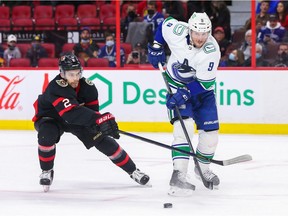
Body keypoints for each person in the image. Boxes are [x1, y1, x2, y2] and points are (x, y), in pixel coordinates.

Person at [32, 53, 150, 192]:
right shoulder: (55, 87)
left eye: (77, 73)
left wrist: (101, 125)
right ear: (62, 74)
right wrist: (98, 119)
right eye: (71, 74)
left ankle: (133, 171)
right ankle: (46, 171)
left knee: (103, 140)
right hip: (50, 118)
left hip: (77, 119)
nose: (75, 78)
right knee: (47, 134)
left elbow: (93, 113)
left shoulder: (88, 87)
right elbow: (70, 114)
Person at [148, 12, 221, 196]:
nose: (200, 38)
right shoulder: (178, 31)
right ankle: (179, 173)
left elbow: (203, 84)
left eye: (204, 34)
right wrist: (157, 46)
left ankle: (202, 169)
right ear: (190, 29)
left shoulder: (212, 51)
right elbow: (164, 24)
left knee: (211, 136)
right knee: (184, 127)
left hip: (202, 93)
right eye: (197, 33)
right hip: (176, 85)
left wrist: (185, 93)